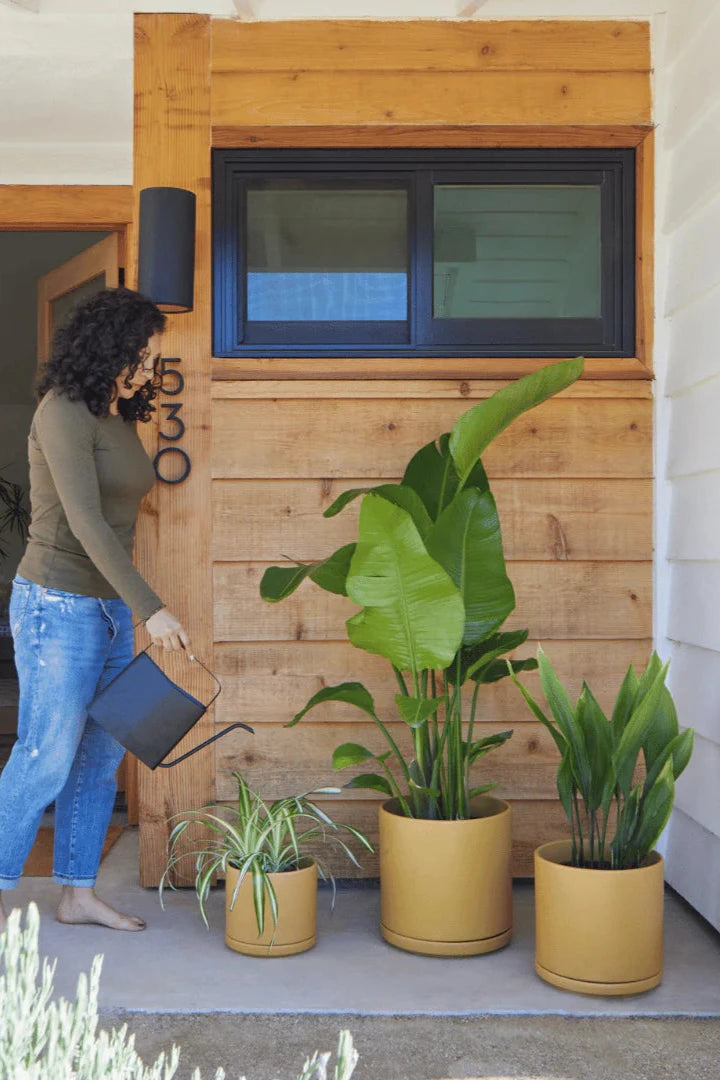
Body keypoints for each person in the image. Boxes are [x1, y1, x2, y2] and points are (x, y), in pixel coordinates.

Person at [0, 287, 191, 933]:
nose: (149, 366)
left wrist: (131, 608)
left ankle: (77, 894)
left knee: (100, 758)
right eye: (142, 354)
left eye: (152, 356)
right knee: (44, 756)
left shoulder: (117, 414)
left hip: (107, 611)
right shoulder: (62, 412)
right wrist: (152, 608)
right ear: (109, 346)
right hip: (56, 606)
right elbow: (85, 522)